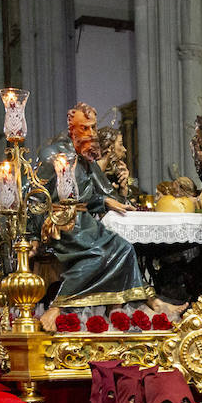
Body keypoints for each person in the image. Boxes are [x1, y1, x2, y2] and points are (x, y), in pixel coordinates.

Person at [35, 102, 148, 328]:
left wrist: (109, 198)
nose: (91, 134)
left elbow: (89, 196)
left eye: (94, 128)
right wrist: (32, 233)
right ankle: (57, 308)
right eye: (85, 128)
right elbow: (35, 195)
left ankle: (119, 311)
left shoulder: (85, 156)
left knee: (125, 248)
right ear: (72, 128)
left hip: (85, 223)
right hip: (61, 224)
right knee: (97, 255)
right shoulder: (53, 154)